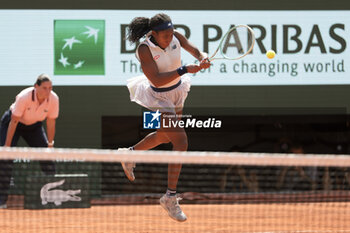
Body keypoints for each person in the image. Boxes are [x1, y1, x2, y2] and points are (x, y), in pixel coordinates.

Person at [119, 13, 210, 221]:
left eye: (171, 33)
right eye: (165, 35)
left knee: (165, 136)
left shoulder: (176, 35)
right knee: (181, 141)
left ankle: (130, 154)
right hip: (158, 97)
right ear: (154, 33)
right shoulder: (144, 49)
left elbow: (193, 49)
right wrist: (185, 69)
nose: (169, 38)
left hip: (178, 91)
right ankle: (170, 197)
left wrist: (201, 57)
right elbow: (158, 81)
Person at [0, 74, 59, 208]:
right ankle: (1, 201)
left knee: (47, 157)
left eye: (50, 88)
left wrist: (50, 144)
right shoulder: (23, 97)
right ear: (36, 87)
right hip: (13, 123)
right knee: (5, 159)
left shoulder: (54, 99)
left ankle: (52, 197)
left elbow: (50, 122)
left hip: (34, 126)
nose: (48, 91)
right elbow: (14, 121)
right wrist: (7, 146)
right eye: (44, 88)